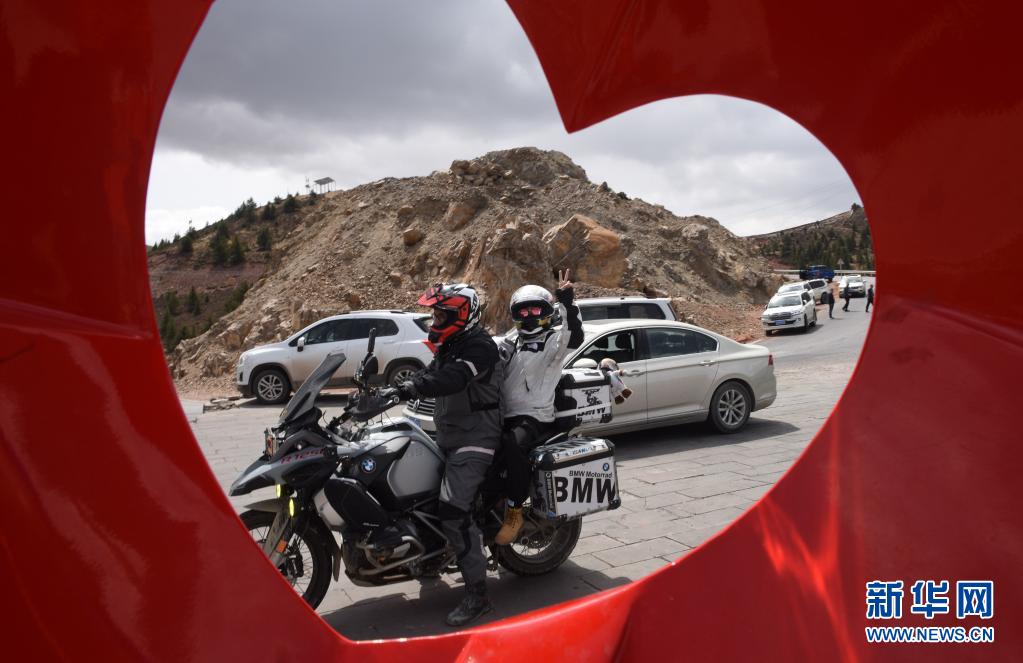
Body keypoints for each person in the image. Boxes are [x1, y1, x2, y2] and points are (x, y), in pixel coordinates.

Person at [391, 283, 502, 627]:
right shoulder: (452, 344)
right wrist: (392, 389)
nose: (435, 320)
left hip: (477, 438)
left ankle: (478, 596)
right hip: (449, 435)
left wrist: (415, 387)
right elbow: (430, 373)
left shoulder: (480, 347)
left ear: (462, 315)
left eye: (441, 315)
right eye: (435, 315)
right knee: (417, 496)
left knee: (453, 512)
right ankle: (433, 556)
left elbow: (452, 379)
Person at [495, 269, 584, 546]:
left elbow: (575, 336)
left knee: (513, 445)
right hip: (504, 414)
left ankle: (514, 511)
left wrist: (567, 301)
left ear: (546, 311)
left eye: (535, 310)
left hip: (534, 417)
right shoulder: (511, 341)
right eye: (523, 311)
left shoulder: (553, 342)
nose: (529, 316)